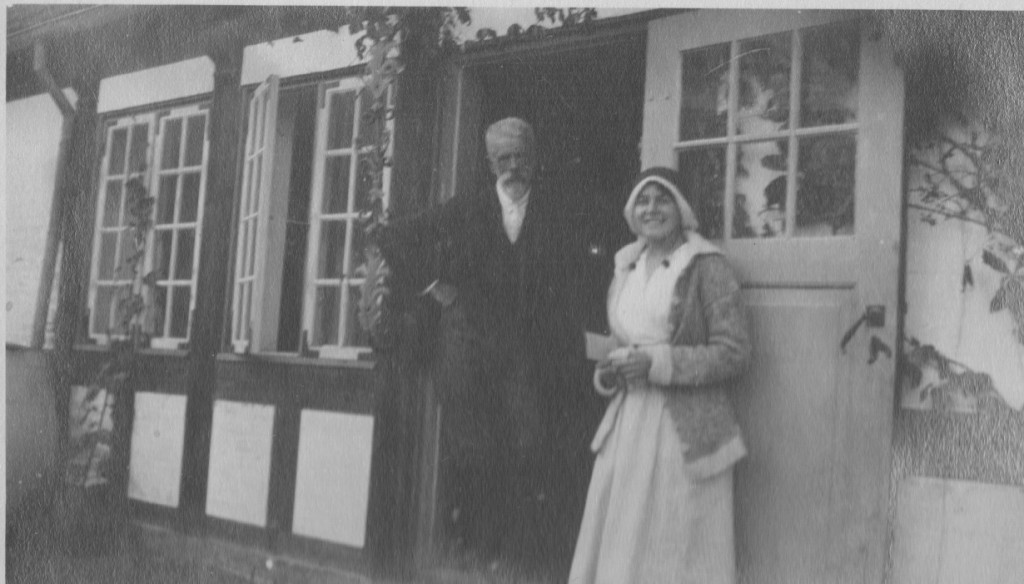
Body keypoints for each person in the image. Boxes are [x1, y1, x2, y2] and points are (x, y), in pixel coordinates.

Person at [379, 117, 594, 577]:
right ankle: (473, 555)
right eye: (503, 158)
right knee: (473, 453)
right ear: (488, 162)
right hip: (469, 353)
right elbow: (393, 237)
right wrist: (435, 285)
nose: (513, 166)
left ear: (534, 159)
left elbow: (579, 278)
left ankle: (519, 559)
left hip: (532, 357)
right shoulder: (467, 207)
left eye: (520, 156)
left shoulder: (558, 210)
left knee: (530, 448)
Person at [569, 167, 751, 584]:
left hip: (683, 429)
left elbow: (734, 352)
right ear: (632, 212)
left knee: (674, 541)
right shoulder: (626, 266)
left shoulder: (706, 266)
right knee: (623, 537)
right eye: (643, 201)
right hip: (629, 423)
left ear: (682, 208)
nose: (652, 209)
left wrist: (658, 364)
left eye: (662, 199)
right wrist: (611, 371)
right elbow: (621, 338)